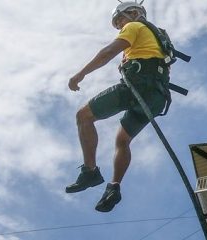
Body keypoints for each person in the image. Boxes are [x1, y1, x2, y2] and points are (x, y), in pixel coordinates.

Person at [66, 1, 171, 212]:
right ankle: (114, 187)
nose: (119, 26)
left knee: (83, 116)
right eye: (117, 24)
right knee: (122, 140)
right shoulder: (157, 35)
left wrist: (80, 74)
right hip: (157, 97)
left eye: (120, 20)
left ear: (133, 13)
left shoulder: (134, 26)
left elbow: (108, 52)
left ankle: (90, 171)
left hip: (138, 86)